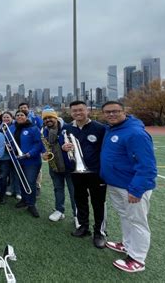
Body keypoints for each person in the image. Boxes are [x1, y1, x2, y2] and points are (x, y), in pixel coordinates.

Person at [100, 101, 157, 273]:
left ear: (124, 112)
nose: (111, 115)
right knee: (125, 217)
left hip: (131, 187)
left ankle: (137, 259)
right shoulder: (111, 129)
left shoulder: (135, 133)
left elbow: (147, 166)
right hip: (116, 184)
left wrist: (137, 189)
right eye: (107, 112)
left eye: (115, 111)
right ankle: (127, 244)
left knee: (138, 222)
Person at [62, 100, 106, 248]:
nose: (77, 113)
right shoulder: (67, 128)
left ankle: (99, 232)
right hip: (77, 171)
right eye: (74, 111)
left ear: (87, 110)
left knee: (98, 203)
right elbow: (66, 146)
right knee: (80, 199)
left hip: (95, 172)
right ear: (70, 112)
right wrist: (64, 147)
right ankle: (83, 226)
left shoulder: (100, 128)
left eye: (80, 110)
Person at [41, 107, 76, 222]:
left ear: (56, 117)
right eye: (45, 118)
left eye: (50, 117)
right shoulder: (45, 131)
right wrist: (44, 154)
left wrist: (71, 147)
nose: (48, 120)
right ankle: (59, 210)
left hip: (70, 166)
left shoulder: (68, 128)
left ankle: (77, 215)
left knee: (74, 192)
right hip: (55, 165)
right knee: (57, 188)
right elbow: (46, 147)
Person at [12, 110, 43, 218]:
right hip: (19, 160)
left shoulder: (33, 128)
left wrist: (30, 153)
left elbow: (39, 143)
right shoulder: (15, 128)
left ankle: (31, 204)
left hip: (31, 161)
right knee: (22, 181)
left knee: (30, 182)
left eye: (22, 115)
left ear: (26, 117)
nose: (19, 116)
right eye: (18, 115)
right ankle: (24, 200)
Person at [3, 111, 22, 200]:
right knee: (10, 172)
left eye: (8, 117)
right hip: (8, 153)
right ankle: (11, 188)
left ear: (12, 118)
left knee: (17, 172)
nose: (6, 119)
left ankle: (18, 191)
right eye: (4, 117)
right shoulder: (4, 127)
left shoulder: (15, 126)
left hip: (17, 153)